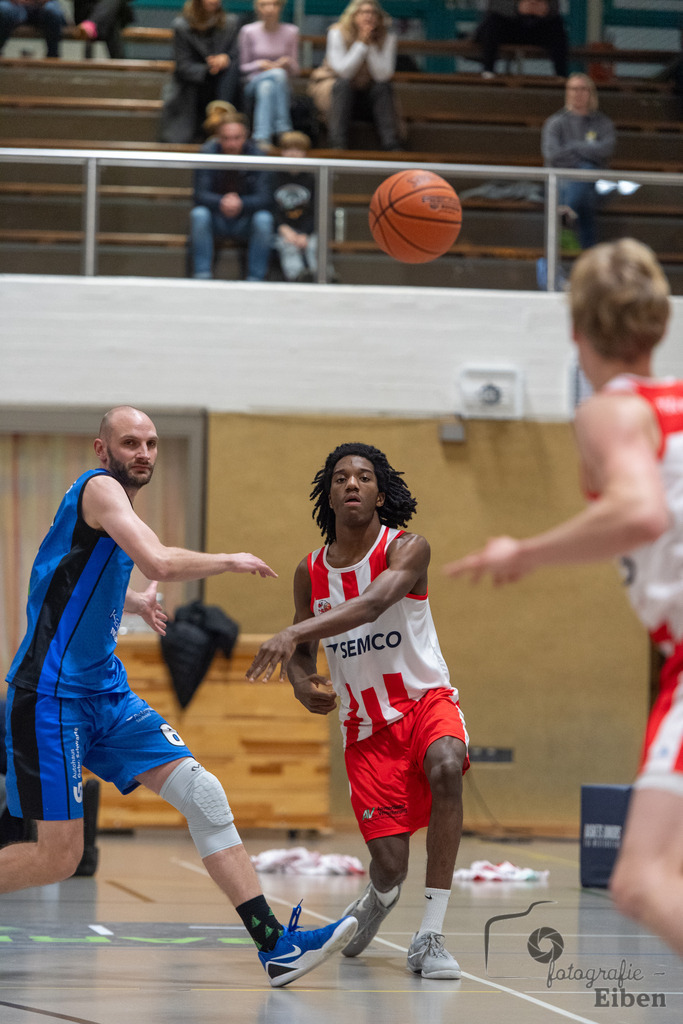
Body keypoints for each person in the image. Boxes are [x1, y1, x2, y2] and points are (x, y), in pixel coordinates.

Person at [2, 405, 357, 987]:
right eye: (130, 442)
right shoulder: (98, 490)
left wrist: (136, 603)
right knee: (58, 857)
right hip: (49, 697)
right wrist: (231, 560)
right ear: (101, 450)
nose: (143, 452)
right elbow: (158, 560)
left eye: (151, 443)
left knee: (204, 794)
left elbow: (67, 574)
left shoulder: (118, 511)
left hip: (106, 693)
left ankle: (275, 947)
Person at [443, 238, 683, 956]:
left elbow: (640, 512)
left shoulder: (609, 411)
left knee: (639, 879)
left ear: (576, 332)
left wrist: (524, 551)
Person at [247, 443, 469, 979]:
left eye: (363, 477)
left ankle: (430, 936)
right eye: (341, 477)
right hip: (365, 728)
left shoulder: (408, 549)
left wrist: (294, 631)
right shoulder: (309, 572)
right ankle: (379, 896)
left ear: (380, 492)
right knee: (390, 865)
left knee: (447, 765)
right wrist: (301, 684)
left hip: (423, 701)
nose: (352, 483)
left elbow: (371, 604)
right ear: (329, 494)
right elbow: (302, 658)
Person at [189, 111, 275, 280]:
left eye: (236, 138)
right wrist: (222, 202)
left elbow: (265, 197)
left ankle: (256, 279)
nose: (231, 144)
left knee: (264, 219)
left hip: (246, 218)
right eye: (226, 138)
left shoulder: (259, 156)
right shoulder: (207, 154)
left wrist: (241, 203)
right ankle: (202, 275)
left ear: (246, 137)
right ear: (218, 138)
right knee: (199, 215)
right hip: (216, 217)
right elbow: (200, 194)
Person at [308, 0, 401, 151]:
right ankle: (337, 143)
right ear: (352, 15)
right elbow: (343, 71)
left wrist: (369, 43)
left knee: (383, 87)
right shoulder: (337, 32)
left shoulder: (387, 36)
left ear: (379, 17)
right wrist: (361, 43)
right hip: (338, 93)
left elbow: (383, 75)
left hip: (368, 94)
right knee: (343, 85)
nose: (368, 17)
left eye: (372, 13)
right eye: (363, 12)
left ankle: (391, 144)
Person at [541, 72, 616, 252]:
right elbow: (553, 155)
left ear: (591, 93)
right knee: (586, 184)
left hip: (594, 183)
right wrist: (585, 154)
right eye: (574, 89)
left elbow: (606, 150)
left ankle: (566, 213)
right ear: (567, 92)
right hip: (562, 182)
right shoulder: (555, 122)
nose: (578, 93)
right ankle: (589, 255)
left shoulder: (603, 123)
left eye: (583, 89)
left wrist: (573, 147)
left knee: (587, 173)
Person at [159, 0, 242, 145]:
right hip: (192, 84)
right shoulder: (182, 25)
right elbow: (183, 66)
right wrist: (210, 68)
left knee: (234, 69)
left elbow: (236, 56)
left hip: (225, 83)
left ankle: (221, 112)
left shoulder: (231, 23)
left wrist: (225, 59)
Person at [238, 0, 299, 150]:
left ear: (281, 7)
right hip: (252, 83)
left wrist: (288, 62)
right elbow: (241, 67)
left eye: (274, 4)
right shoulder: (248, 31)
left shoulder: (291, 31)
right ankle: (283, 129)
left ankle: (262, 137)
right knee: (277, 74)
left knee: (268, 87)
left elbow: (296, 70)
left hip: (280, 87)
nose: (270, 9)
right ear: (257, 8)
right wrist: (260, 64)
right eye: (264, 4)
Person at [474, 0, 569, 79]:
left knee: (557, 26)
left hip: (537, 27)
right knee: (492, 23)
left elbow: (555, 6)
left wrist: (545, 8)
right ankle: (488, 72)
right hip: (509, 25)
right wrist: (517, 7)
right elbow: (493, 5)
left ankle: (561, 76)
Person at [272, 130, 317, 282]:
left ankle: (320, 278)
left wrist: (306, 233)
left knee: (314, 246)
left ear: (305, 153)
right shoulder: (274, 176)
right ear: (281, 152)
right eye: (288, 149)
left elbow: (318, 210)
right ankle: (297, 278)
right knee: (288, 247)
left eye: (298, 150)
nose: (293, 154)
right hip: (283, 229)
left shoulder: (313, 177)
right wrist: (283, 228)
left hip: (308, 229)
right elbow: (271, 207)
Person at [0, 0, 65, 58]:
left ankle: (52, 58)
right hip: (13, 5)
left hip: (43, 5)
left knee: (52, 11)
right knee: (3, 9)